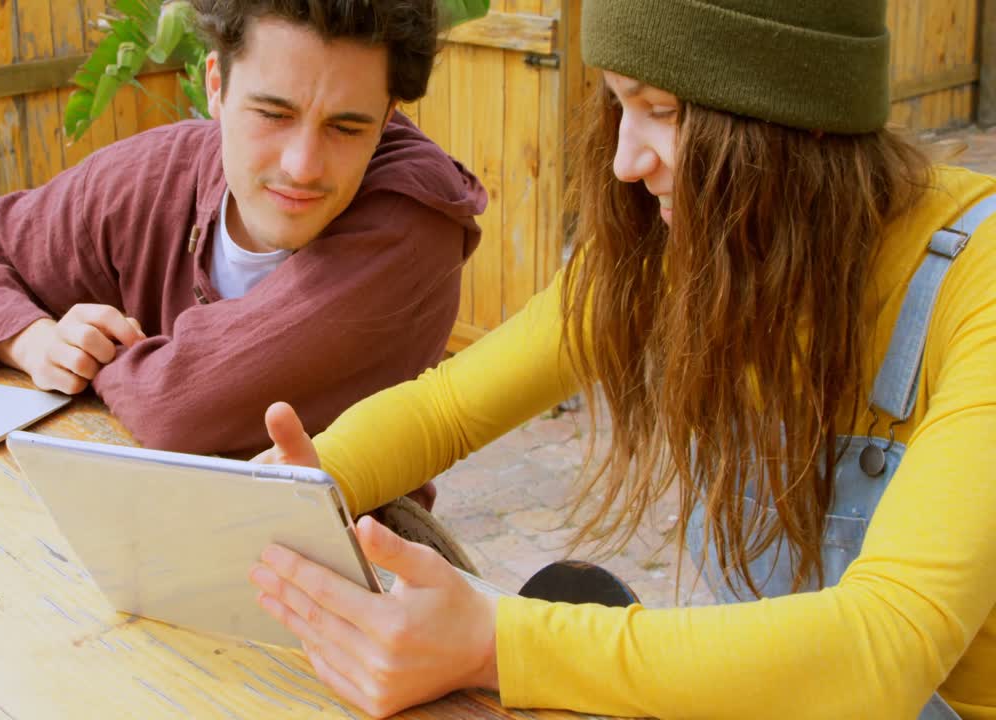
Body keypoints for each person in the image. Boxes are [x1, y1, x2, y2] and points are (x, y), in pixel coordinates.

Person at [245, 1, 996, 718]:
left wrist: (495, 643)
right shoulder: (693, 248)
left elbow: (882, 650)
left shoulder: (978, 283)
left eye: (663, 111)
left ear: (799, 116)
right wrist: (296, 491)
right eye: (617, 106)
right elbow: (448, 407)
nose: (626, 163)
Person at [0, 0, 485, 461]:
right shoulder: (156, 173)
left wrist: (101, 358)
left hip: (350, 562)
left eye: (346, 127)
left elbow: (178, 408)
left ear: (386, 120)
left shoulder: (416, 219)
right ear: (217, 85)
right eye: (273, 114)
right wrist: (38, 342)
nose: (302, 166)